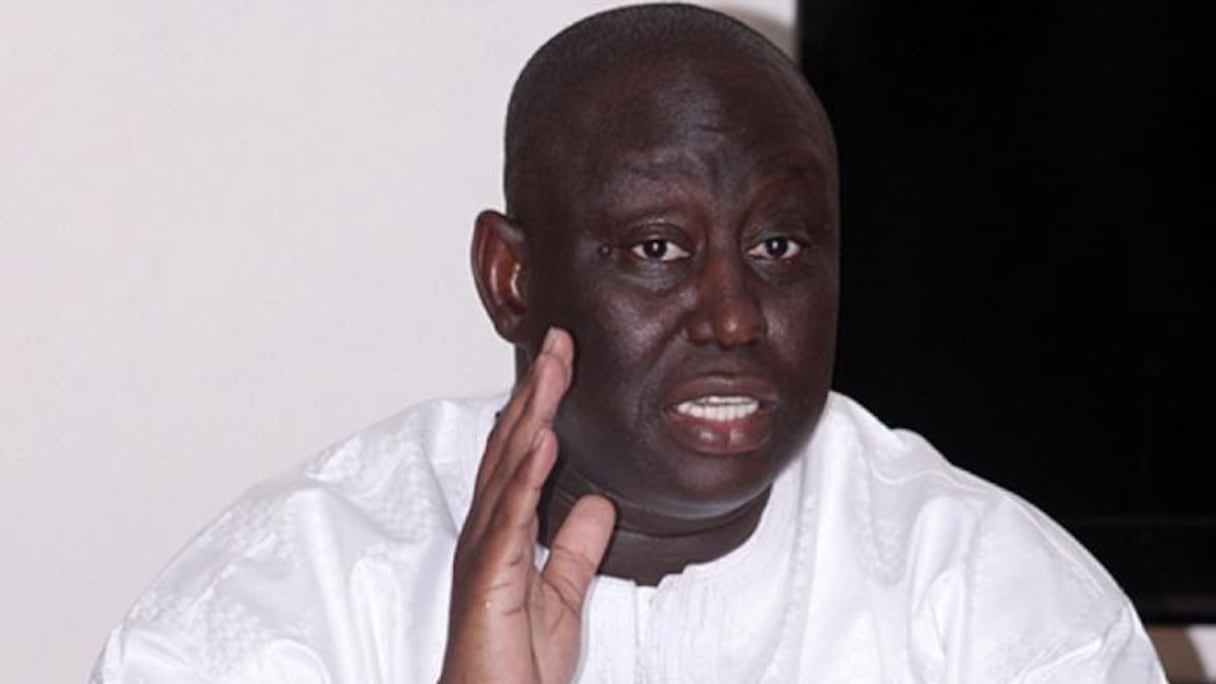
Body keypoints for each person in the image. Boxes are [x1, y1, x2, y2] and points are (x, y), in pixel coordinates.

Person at [92, 5, 1166, 682]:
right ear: (512, 278)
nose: (735, 315)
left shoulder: (1002, 613)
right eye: (656, 248)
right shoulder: (282, 606)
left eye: (780, 244)